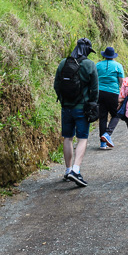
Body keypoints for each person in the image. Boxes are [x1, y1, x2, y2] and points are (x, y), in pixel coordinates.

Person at [53, 37, 98, 187]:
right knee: (82, 139)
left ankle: (67, 170)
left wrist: (63, 100)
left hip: (66, 108)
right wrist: (92, 105)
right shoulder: (89, 64)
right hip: (82, 109)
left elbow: (56, 85)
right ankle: (76, 170)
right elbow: (95, 89)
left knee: (67, 138)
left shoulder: (63, 63)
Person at [96, 46, 124, 149]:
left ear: (104, 56)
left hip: (100, 93)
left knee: (102, 117)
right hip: (113, 93)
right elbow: (122, 82)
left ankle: (102, 144)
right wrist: (123, 95)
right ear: (113, 56)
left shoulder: (98, 65)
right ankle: (107, 134)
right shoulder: (118, 66)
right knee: (117, 114)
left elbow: (94, 79)